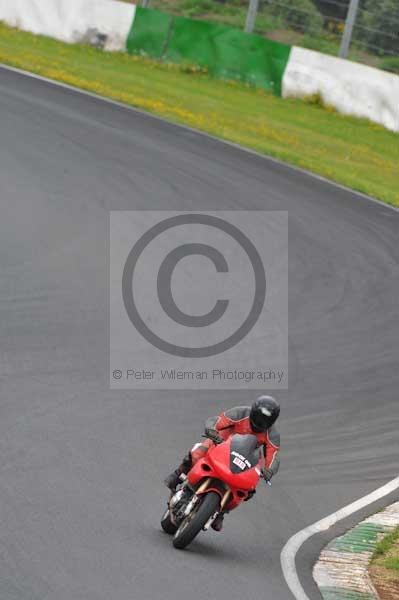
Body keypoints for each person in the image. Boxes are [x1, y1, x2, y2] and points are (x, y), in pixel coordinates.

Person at [164, 395, 280, 532]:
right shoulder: (241, 413)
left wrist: (269, 470)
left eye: (265, 421)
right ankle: (177, 475)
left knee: (249, 489)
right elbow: (218, 420)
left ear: (272, 421)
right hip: (221, 443)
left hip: (244, 459)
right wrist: (212, 430)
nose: (260, 422)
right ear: (253, 411)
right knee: (198, 452)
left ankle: (221, 511)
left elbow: (273, 456)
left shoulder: (272, 435)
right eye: (259, 417)